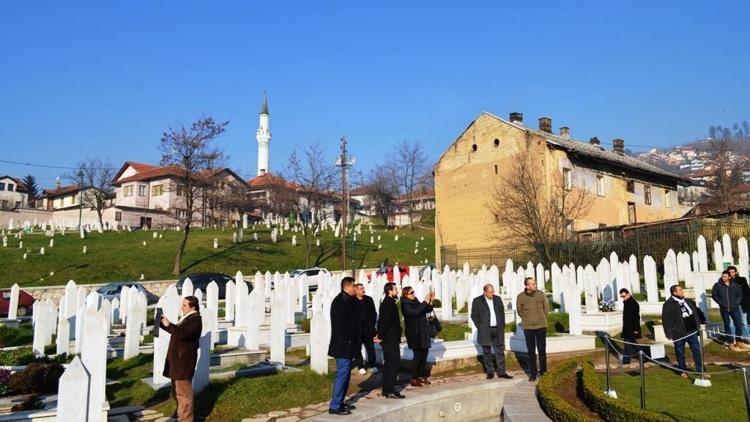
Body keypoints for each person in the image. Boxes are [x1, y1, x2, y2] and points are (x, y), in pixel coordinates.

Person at [160, 296, 202, 422]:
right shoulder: (188, 318)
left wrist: (170, 325)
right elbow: (178, 332)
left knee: (184, 394)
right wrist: (163, 324)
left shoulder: (195, 320)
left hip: (183, 362)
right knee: (178, 392)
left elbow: (184, 334)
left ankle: (186, 419)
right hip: (178, 362)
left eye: (184, 305)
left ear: (192, 307)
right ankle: (181, 416)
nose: (182, 308)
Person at [327, 277, 362, 415]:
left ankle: (340, 402)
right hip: (342, 344)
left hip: (348, 344)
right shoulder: (339, 302)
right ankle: (335, 405)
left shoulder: (348, 300)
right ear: (347, 286)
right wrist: (349, 340)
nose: (356, 289)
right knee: (342, 374)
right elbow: (340, 325)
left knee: (346, 375)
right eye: (354, 286)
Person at [662, 285, 706, 378]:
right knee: (680, 352)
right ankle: (682, 370)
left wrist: (702, 320)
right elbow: (666, 320)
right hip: (679, 333)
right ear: (674, 293)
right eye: (680, 290)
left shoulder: (688, 301)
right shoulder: (668, 304)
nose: (682, 291)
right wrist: (669, 333)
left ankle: (701, 370)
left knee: (697, 351)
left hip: (692, 331)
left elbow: (696, 311)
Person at [471, 284, 513, 380]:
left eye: (493, 291)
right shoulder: (477, 301)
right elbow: (474, 315)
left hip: (497, 329)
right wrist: (480, 327)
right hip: (485, 330)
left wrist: (502, 325)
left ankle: (501, 372)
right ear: (485, 292)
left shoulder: (497, 299)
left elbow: (502, 313)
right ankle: (490, 372)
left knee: (500, 351)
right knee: (487, 352)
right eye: (491, 292)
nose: (492, 293)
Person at [400, 286, 434, 387]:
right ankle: (414, 377)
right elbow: (415, 312)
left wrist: (430, 301)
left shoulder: (416, 301)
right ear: (406, 295)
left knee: (424, 355)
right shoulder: (405, 304)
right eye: (411, 293)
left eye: (413, 292)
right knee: (417, 356)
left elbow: (426, 309)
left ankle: (421, 375)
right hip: (414, 333)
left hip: (423, 331)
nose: (414, 294)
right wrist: (425, 301)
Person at [516, 277, 548, 382]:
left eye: (535, 283)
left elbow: (546, 309)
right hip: (528, 327)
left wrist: (542, 319)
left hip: (541, 326)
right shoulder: (520, 297)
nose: (535, 285)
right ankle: (533, 374)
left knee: (542, 350)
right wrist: (527, 318)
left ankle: (543, 372)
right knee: (531, 351)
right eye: (533, 284)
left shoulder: (541, 294)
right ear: (527, 286)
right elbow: (520, 311)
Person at [375, 282, 404, 399]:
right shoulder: (388, 304)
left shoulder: (388, 302)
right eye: (395, 289)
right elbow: (384, 322)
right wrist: (380, 336)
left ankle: (386, 389)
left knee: (389, 364)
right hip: (390, 339)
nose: (397, 291)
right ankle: (390, 389)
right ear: (389, 291)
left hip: (390, 338)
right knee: (394, 364)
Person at [712, 270, 746, 351]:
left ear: (729, 277)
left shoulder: (735, 285)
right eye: (722, 276)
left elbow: (739, 295)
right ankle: (731, 342)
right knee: (727, 325)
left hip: (735, 308)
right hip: (724, 309)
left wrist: (736, 303)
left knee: (738, 324)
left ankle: (739, 341)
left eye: (725, 276)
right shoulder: (717, 285)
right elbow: (714, 295)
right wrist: (721, 303)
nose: (723, 278)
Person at [354, 283, 378, 374]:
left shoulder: (369, 299)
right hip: (357, 329)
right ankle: (360, 366)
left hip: (368, 328)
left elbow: (373, 313)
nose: (363, 290)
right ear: (356, 290)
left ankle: (373, 364)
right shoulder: (352, 301)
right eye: (361, 289)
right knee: (357, 348)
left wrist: (372, 326)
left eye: (363, 288)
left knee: (370, 347)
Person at [728, 265, 750, 348]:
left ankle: (745, 338)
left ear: (736, 272)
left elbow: (747, 291)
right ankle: (734, 339)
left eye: (733, 272)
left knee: (744, 321)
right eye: (730, 272)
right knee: (732, 322)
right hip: (732, 305)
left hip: (743, 304)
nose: (731, 273)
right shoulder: (726, 281)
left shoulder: (742, 279)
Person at [619, 288, 641, 365]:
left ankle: (626, 360)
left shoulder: (633, 303)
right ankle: (644, 355)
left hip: (632, 328)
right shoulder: (627, 303)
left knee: (627, 344)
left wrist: (636, 329)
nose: (623, 298)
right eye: (621, 296)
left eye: (624, 296)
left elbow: (636, 317)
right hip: (627, 328)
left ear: (628, 294)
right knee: (632, 344)